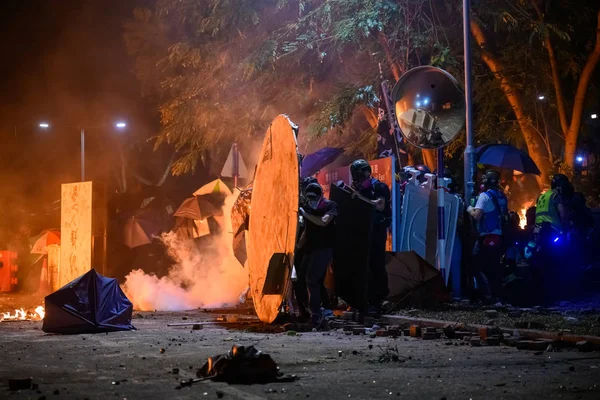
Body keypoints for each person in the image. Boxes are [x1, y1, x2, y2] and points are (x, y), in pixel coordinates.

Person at [349, 159, 391, 314]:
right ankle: (363, 299)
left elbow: (379, 205)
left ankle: (379, 299)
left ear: (367, 172)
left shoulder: (379, 187)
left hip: (377, 231)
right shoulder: (361, 190)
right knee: (362, 266)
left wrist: (360, 197)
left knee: (376, 264)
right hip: (363, 232)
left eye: (359, 174)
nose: (357, 178)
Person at [297, 182, 337, 329]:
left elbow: (323, 222)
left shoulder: (329, 206)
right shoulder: (308, 208)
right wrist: (297, 247)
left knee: (312, 279)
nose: (311, 200)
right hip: (310, 249)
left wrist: (305, 213)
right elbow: (307, 231)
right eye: (309, 198)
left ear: (321, 195)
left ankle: (316, 314)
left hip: (324, 249)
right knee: (303, 278)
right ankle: (319, 309)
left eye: (314, 197)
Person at [467, 170, 508, 302]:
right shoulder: (502, 196)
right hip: (499, 236)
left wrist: (469, 208)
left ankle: (487, 296)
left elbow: (477, 215)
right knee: (494, 267)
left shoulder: (484, 196)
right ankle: (497, 296)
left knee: (477, 266)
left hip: (486, 237)